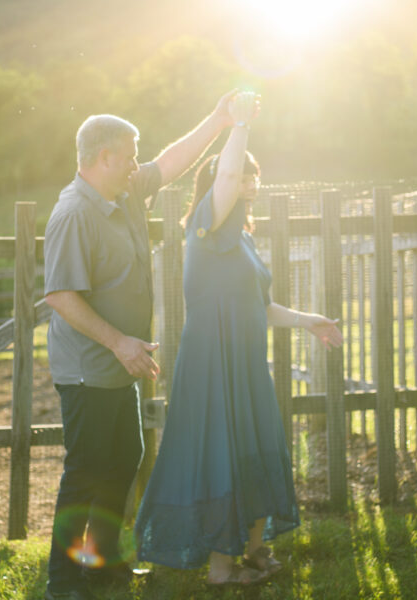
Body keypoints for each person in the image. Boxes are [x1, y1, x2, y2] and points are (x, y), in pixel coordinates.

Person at [43, 91, 247, 600]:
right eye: (130, 154)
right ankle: (64, 581)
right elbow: (61, 295)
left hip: (120, 363)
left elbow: (172, 161)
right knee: (87, 473)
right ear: (104, 157)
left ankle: (103, 563)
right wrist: (118, 343)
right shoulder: (73, 213)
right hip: (90, 367)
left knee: (125, 458)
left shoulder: (126, 190)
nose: (137, 163)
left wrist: (219, 120)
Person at [135, 92, 343, 586]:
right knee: (220, 455)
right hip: (213, 362)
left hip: (246, 362)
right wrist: (239, 123)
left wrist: (308, 318)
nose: (250, 182)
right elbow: (225, 175)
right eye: (242, 176)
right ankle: (220, 569)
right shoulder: (205, 223)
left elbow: (259, 307)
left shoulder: (242, 240)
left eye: (255, 175)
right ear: (217, 186)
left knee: (254, 450)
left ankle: (252, 550)